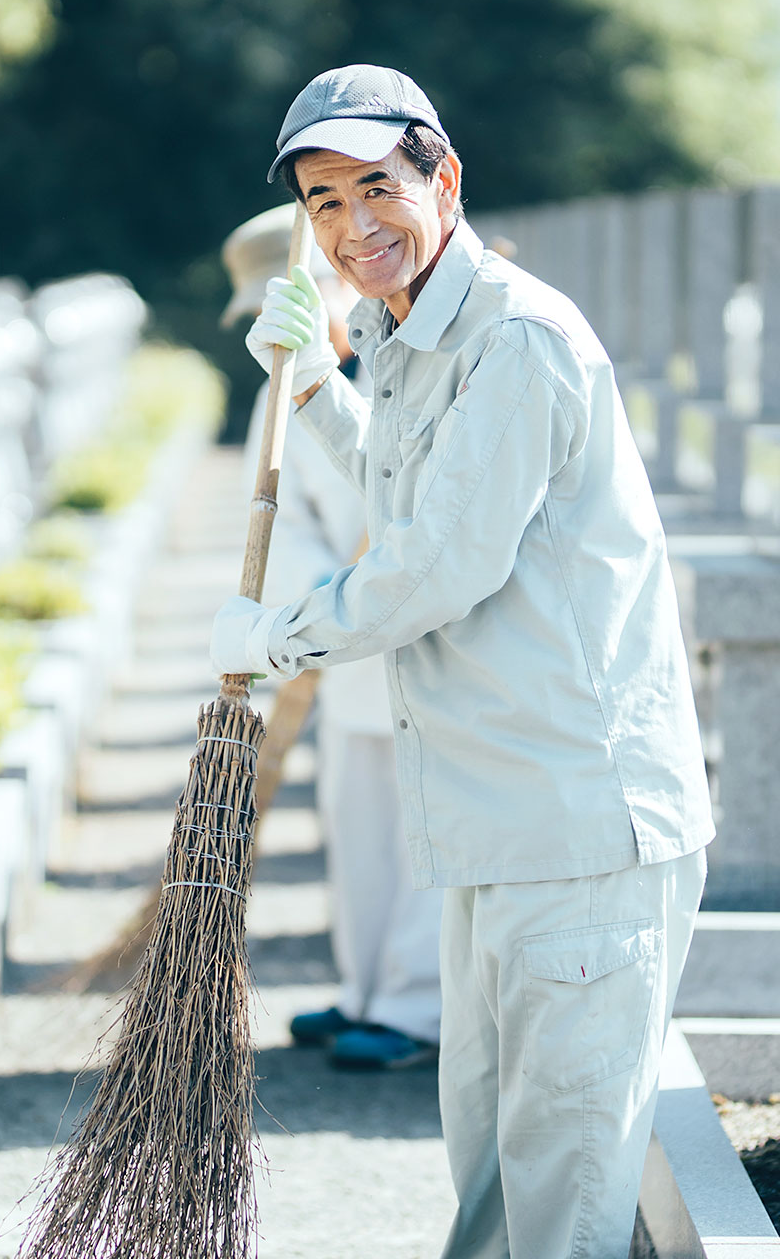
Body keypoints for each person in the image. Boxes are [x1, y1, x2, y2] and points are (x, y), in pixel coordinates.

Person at [208, 64, 714, 1259]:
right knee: (491, 1173)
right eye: (323, 203)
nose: (351, 227)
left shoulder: (520, 337)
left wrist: (280, 637)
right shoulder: (401, 327)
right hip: (493, 814)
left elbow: (442, 561)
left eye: (376, 187)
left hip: (578, 823)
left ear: (443, 176)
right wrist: (319, 381)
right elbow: (403, 479)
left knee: (561, 1192)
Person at [220, 205, 442, 1071]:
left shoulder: (416, 372)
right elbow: (272, 520)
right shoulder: (278, 397)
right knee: (357, 827)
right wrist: (317, 599)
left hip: (424, 643)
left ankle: (417, 1007)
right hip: (338, 646)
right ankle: (365, 988)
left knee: (427, 827)